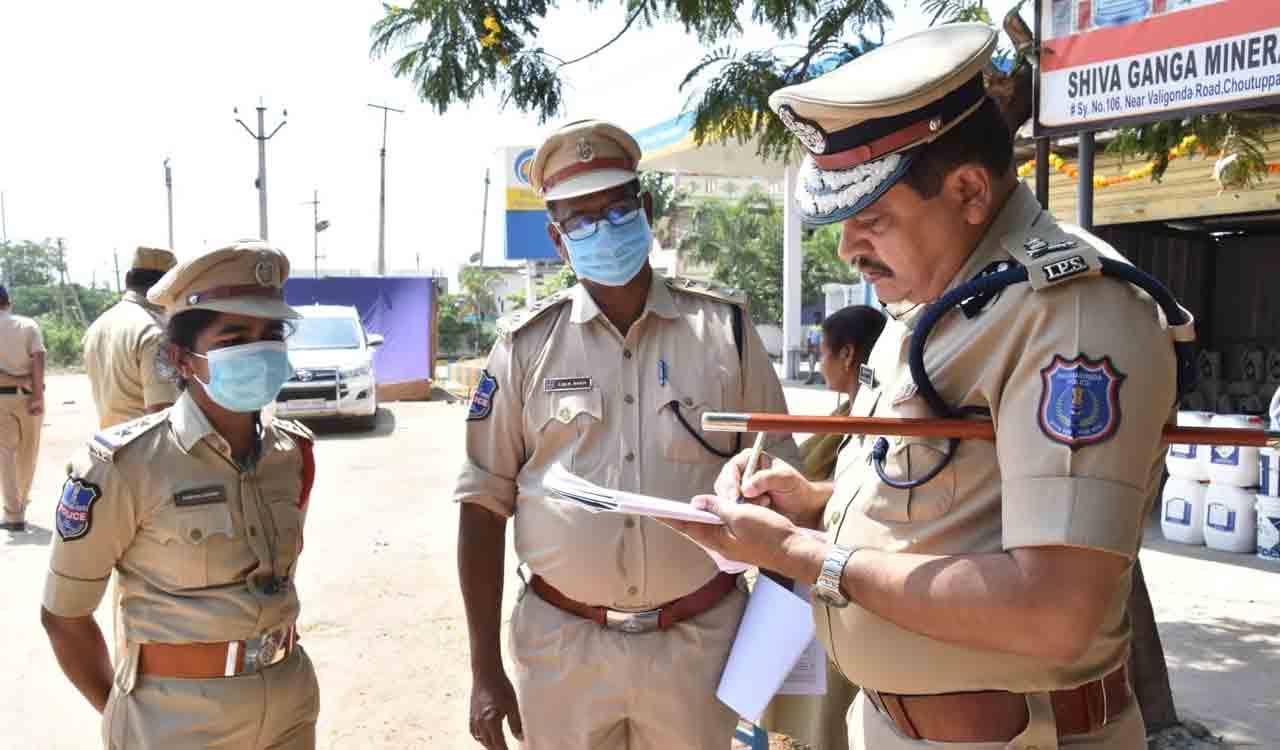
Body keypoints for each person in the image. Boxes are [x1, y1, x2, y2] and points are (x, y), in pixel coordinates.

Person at [666, 23, 1182, 749]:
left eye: (871, 219)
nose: (847, 247)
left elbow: (1054, 611)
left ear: (969, 190)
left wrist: (803, 555)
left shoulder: (1070, 313)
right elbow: (945, 504)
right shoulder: (941, 295)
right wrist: (811, 505)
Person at [455, 119, 797, 750]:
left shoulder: (727, 332)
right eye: (579, 221)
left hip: (702, 644)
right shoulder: (525, 346)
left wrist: (768, 659)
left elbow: (783, 495)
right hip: (562, 649)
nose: (601, 230)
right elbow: (482, 505)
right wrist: (484, 670)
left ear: (645, 210)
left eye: (615, 210)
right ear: (558, 241)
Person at [40, 242, 321, 749]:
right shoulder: (124, 467)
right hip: (175, 722)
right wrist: (125, 718)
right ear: (179, 357)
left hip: (289, 703)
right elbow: (64, 616)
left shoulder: (290, 453)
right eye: (235, 337)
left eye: (271, 334)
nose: (259, 349)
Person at [761, 304, 884, 750]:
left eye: (822, 352)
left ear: (848, 355)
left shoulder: (867, 428)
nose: (819, 363)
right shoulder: (843, 423)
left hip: (839, 591)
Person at [83, 246, 180, 428]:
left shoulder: (96, 327)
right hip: (143, 448)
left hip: (109, 444)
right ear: (170, 286)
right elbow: (161, 414)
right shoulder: (155, 334)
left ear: (127, 279)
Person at [0, 282, 45, 533]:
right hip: (30, 397)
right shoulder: (28, 325)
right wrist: (36, 393)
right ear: (8, 302)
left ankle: (13, 514)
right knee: (29, 453)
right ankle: (22, 503)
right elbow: (39, 358)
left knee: (4, 455)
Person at [804, 311, 824, 384]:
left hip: (821, 348)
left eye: (818, 317)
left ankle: (823, 379)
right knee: (811, 364)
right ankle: (810, 379)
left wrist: (819, 349)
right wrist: (809, 348)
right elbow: (808, 338)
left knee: (822, 364)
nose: (816, 318)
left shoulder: (822, 327)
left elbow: (822, 339)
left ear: (820, 318)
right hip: (812, 348)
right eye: (815, 317)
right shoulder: (811, 327)